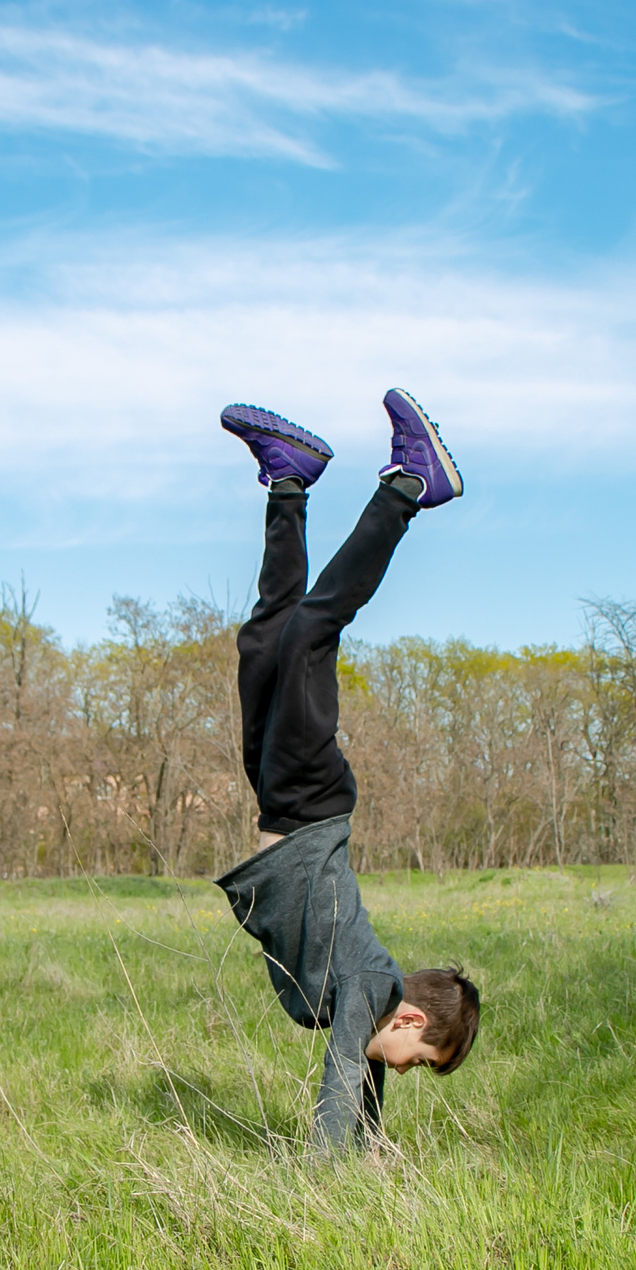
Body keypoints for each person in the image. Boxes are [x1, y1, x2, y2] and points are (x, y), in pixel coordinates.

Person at [213, 389, 483, 1151]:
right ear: (410, 1020)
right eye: (417, 1062)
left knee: (265, 642)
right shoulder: (370, 985)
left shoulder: (363, 1004)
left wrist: (370, 1148)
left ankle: (290, 482)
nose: (400, 1072)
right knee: (309, 635)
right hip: (308, 804)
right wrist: (327, 1177)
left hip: (280, 798)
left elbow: (358, 1080)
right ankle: (408, 486)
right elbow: (343, 1079)